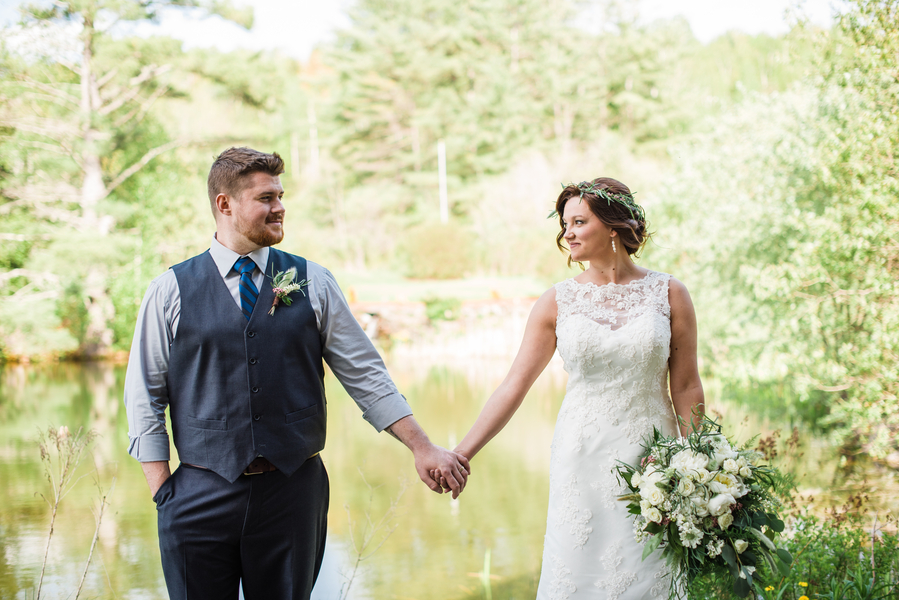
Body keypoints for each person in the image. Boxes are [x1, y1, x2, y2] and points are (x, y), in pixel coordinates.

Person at [123, 147, 470, 600]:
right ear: (224, 204)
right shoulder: (169, 289)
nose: (280, 207)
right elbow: (144, 393)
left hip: (293, 493)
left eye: (281, 196)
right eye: (266, 197)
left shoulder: (313, 281)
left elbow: (365, 374)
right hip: (196, 493)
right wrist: (163, 494)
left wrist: (421, 447)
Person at [444, 178, 704, 599]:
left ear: (613, 226)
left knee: (649, 575)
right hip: (580, 456)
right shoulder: (557, 301)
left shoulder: (670, 293)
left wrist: (696, 464)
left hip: (653, 458)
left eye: (579, 222)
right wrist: (462, 452)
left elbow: (688, 386)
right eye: (565, 224)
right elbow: (514, 385)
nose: (567, 233)